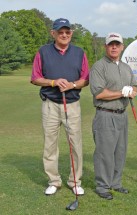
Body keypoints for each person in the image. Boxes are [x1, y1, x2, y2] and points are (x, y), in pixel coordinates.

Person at [31, 18, 89, 196]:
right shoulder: (43, 52)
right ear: (53, 33)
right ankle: (54, 181)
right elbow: (35, 78)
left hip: (72, 104)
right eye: (60, 32)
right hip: (50, 105)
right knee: (50, 145)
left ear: (71, 33)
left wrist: (71, 85)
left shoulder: (79, 53)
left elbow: (85, 79)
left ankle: (75, 181)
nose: (64, 35)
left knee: (75, 144)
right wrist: (53, 82)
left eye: (67, 32)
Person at [89, 32, 137, 200]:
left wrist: (132, 91)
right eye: (111, 44)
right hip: (105, 114)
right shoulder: (99, 66)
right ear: (106, 47)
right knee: (104, 152)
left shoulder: (126, 67)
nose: (114, 47)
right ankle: (102, 186)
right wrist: (121, 92)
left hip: (122, 115)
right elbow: (100, 93)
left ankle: (115, 183)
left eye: (117, 44)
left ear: (122, 47)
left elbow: (135, 86)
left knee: (120, 151)